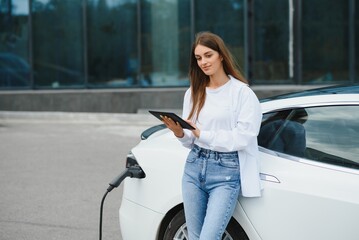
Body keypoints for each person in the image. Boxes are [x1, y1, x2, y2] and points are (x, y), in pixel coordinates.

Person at [162, 31, 262, 240]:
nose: (203, 62)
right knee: (194, 236)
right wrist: (180, 133)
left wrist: (202, 133)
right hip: (194, 167)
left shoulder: (242, 93)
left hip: (226, 173)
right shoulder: (193, 92)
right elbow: (191, 140)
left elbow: (243, 137)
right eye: (198, 58)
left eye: (208, 55)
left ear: (221, 56)